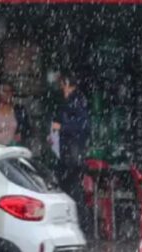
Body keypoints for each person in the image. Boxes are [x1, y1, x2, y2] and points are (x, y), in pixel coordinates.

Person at [52, 71, 91, 232]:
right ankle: (77, 222)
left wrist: (62, 128)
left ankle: (79, 222)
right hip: (67, 149)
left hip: (72, 150)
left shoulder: (76, 101)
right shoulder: (71, 101)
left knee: (72, 186)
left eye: (62, 85)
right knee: (70, 186)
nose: (61, 89)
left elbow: (82, 125)